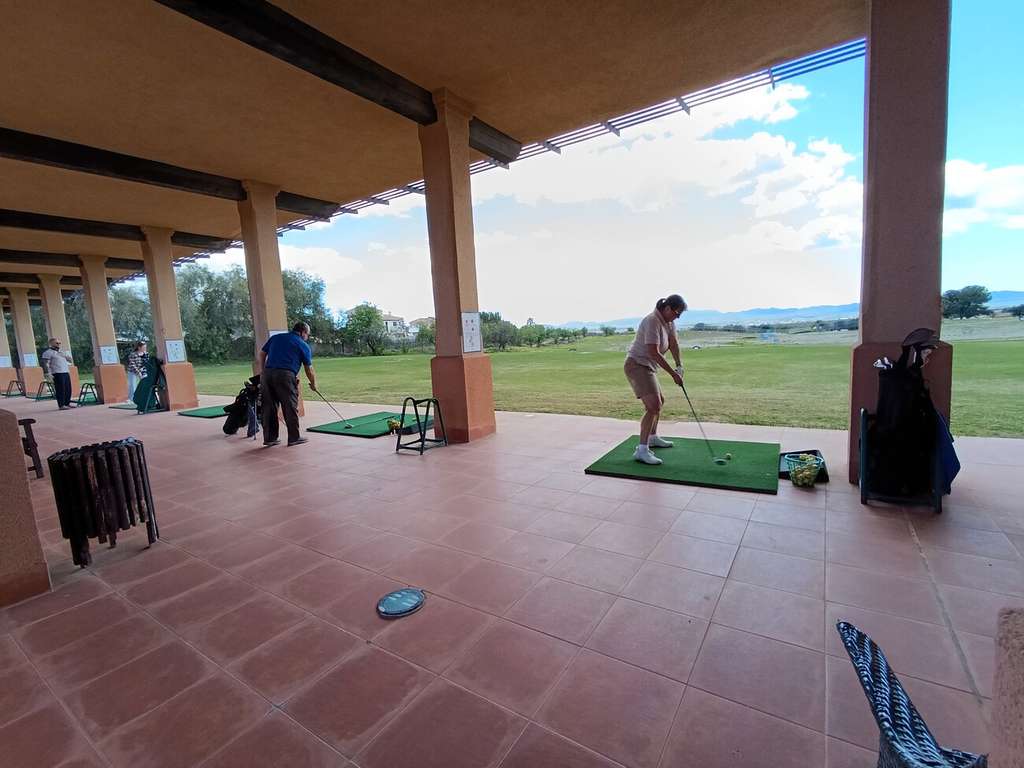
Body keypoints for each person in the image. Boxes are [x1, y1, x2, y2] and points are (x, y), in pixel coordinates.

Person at [624, 294, 687, 465]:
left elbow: (673, 343)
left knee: (659, 402)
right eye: (676, 313)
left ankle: (652, 438)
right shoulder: (652, 320)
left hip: (648, 366)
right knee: (653, 406)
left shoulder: (669, 322)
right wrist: (673, 374)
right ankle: (641, 450)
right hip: (637, 365)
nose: (677, 317)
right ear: (667, 308)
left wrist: (679, 366)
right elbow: (654, 352)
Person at [258, 322, 318, 447]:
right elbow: (309, 369)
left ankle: (270, 438)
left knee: (268, 407)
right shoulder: (303, 345)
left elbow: (262, 354)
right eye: (307, 334)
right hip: (285, 376)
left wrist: (263, 371)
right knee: (289, 406)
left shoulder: (276, 338)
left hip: (267, 375)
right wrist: (313, 384)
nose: (307, 337)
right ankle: (294, 438)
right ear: (302, 332)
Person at [41, 338, 75, 410]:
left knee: (68, 388)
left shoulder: (62, 352)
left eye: (59, 343)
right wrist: (47, 373)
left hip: (65, 371)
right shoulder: (48, 352)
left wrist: (66, 356)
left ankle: (67, 403)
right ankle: (61, 405)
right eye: (57, 343)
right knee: (60, 389)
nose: (59, 344)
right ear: (51, 344)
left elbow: (70, 360)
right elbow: (45, 363)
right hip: (57, 373)